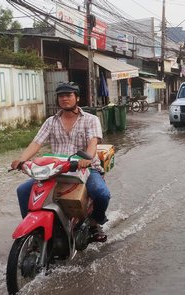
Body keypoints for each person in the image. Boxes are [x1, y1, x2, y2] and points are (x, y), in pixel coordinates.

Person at [10, 82, 111, 242]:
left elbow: (93, 142)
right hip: (56, 170)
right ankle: (34, 230)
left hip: (86, 169)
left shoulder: (91, 119)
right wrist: (21, 160)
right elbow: (36, 143)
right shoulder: (51, 121)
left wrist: (87, 158)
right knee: (22, 191)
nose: (64, 99)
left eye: (68, 95)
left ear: (77, 98)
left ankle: (95, 223)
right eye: (61, 96)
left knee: (102, 194)